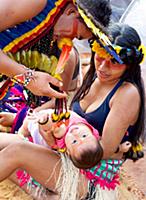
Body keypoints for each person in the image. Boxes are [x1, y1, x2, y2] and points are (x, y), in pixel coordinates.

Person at [2, 18, 144, 200]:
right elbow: (68, 111)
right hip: (64, 152)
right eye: (100, 56)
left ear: (130, 64)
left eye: (113, 62)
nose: (103, 67)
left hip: (86, 174)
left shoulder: (127, 93)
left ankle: (45, 193)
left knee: (17, 151)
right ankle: (43, 194)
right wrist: (28, 121)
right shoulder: (94, 76)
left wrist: (61, 142)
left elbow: (106, 151)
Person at [0, 0, 111, 98]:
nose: (70, 41)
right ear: (71, 12)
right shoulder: (37, 3)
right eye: (75, 35)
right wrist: (30, 78)